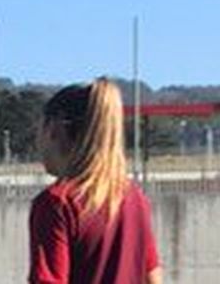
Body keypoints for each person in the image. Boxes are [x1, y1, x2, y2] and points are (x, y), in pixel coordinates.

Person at [30, 78, 163, 284]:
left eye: (38, 130)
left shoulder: (56, 203)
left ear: (54, 129)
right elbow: (153, 275)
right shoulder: (134, 198)